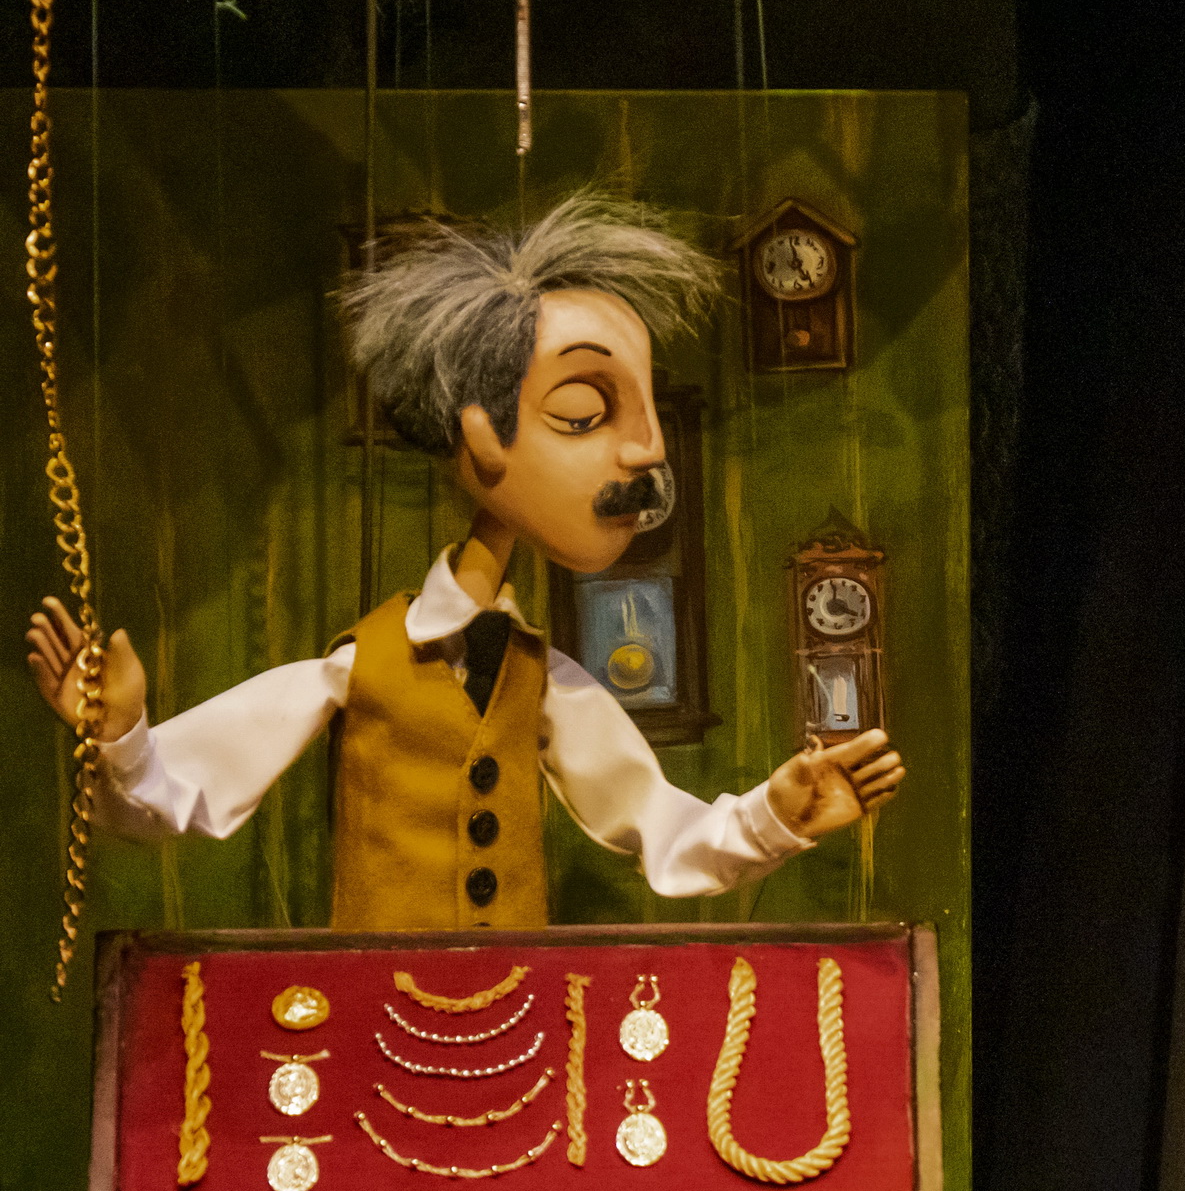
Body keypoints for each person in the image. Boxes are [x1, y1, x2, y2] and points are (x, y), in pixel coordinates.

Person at [24, 192, 904, 930]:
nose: (647, 451)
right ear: (482, 435)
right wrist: (119, 734)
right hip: (371, 1022)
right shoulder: (356, 667)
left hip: (521, 1021)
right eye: (582, 412)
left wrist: (774, 815)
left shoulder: (542, 679)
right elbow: (176, 793)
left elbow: (658, 824)